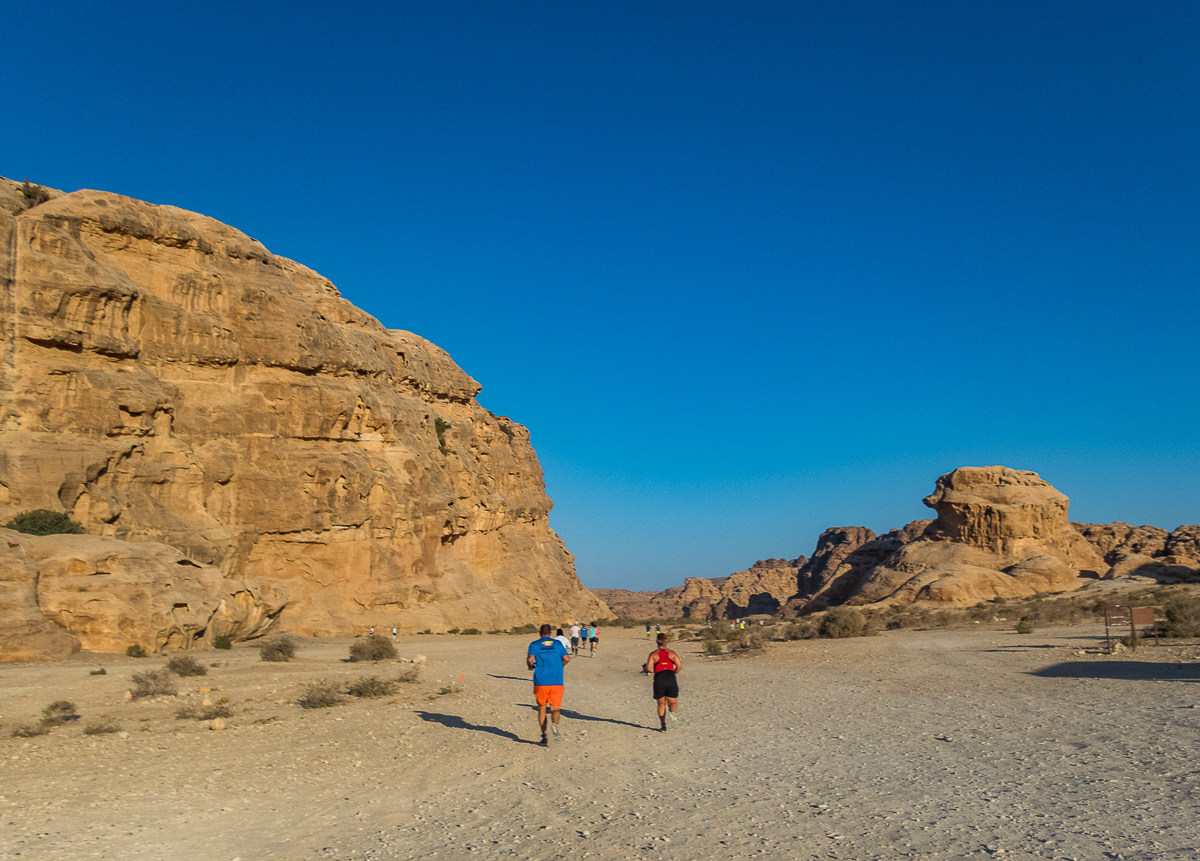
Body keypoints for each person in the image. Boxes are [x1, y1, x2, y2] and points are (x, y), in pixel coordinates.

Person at [527, 624, 570, 744]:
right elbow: (567, 659)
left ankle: (544, 736)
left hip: (541, 681)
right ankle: (555, 725)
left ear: (540, 632)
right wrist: (559, 667)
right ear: (551, 633)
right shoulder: (557, 644)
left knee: (542, 708)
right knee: (555, 708)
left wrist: (530, 666)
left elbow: (530, 660)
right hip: (556, 681)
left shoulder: (534, 644)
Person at [645, 632, 682, 731]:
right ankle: (673, 715)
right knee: (672, 702)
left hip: (659, 679)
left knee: (661, 704)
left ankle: (663, 725)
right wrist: (673, 673)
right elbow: (679, 666)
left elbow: (648, 668)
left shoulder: (654, 654)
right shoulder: (672, 653)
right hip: (670, 677)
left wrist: (645, 669)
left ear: (657, 641)